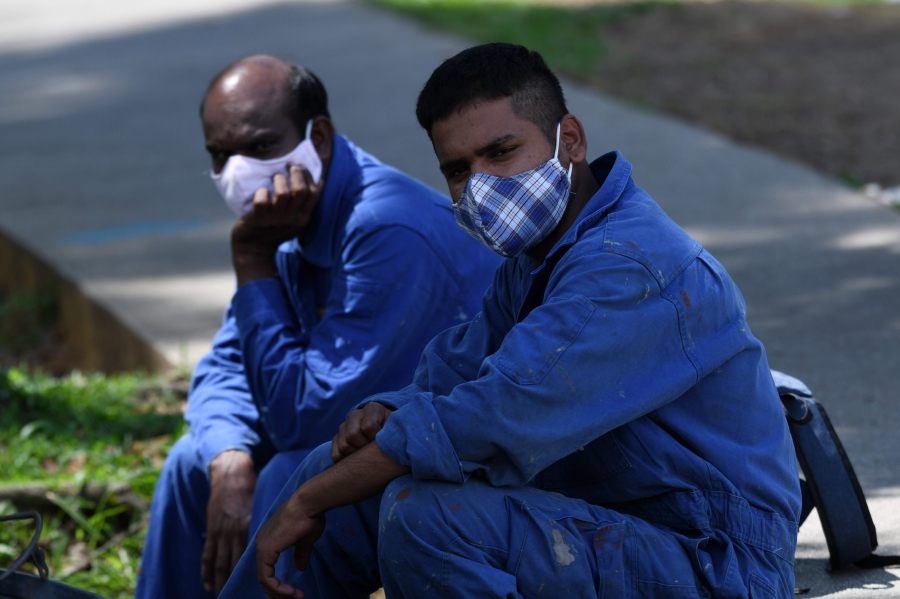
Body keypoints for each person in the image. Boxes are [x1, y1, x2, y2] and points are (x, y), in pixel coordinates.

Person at [221, 43, 801, 599]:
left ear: (568, 139)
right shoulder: (540, 257)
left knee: (428, 516)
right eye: (457, 169)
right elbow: (455, 371)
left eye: (501, 152)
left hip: (714, 560)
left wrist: (307, 502)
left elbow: (493, 416)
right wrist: (389, 409)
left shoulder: (627, 266)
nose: (481, 185)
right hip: (614, 518)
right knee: (342, 468)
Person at [135, 55, 501, 599]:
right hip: (355, 437)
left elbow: (304, 423)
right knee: (197, 461)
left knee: (290, 469)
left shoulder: (386, 230)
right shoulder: (286, 211)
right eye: (220, 154)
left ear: (319, 138)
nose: (239, 171)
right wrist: (228, 455)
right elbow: (227, 365)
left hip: (459, 459)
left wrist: (254, 261)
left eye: (260, 147)